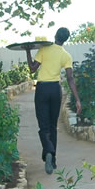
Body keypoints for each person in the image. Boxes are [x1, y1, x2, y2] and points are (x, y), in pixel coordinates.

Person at [26, 27, 81, 174]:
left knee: (43, 126)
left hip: (42, 89)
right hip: (55, 90)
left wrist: (27, 51)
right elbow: (70, 78)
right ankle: (53, 160)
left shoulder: (44, 49)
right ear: (65, 40)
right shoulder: (66, 55)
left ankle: (48, 152)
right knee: (52, 126)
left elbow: (32, 69)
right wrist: (77, 99)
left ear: (55, 35)